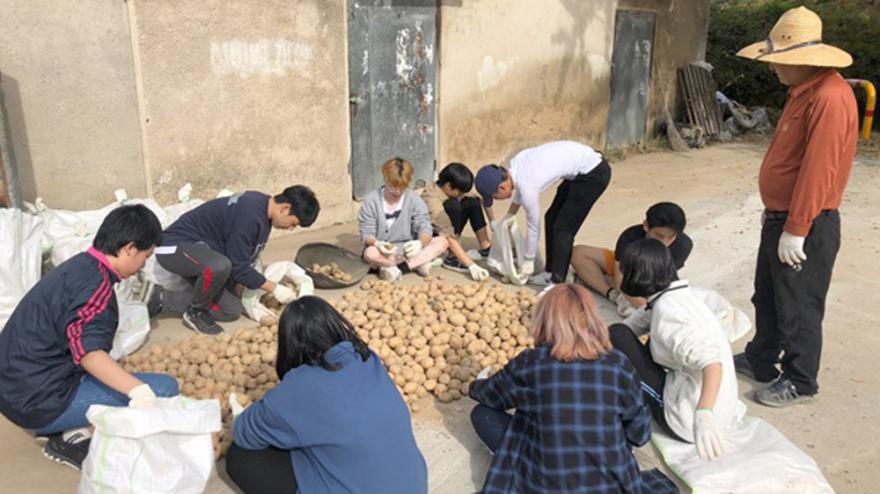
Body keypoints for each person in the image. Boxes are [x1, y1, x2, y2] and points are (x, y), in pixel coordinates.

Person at [734, 6, 858, 407]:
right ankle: (762, 358)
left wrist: (798, 226)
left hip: (806, 221)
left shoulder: (830, 98)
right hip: (781, 216)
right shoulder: (802, 92)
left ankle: (802, 380)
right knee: (767, 294)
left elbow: (819, 169)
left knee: (799, 305)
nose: (772, 68)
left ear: (803, 59)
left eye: (778, 61)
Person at [0, 205, 180, 470]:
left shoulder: (80, 266)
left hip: (14, 385)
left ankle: (67, 424)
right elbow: (89, 355)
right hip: (35, 402)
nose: (145, 263)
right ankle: (74, 436)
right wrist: (139, 393)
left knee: (117, 375)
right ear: (130, 248)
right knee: (163, 390)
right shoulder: (95, 289)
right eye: (146, 255)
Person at [468, 284, 677, 493]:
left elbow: (489, 396)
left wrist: (478, 382)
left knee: (484, 415)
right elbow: (639, 434)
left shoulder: (530, 363)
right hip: (611, 485)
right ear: (592, 320)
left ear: (544, 321)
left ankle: (521, 467)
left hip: (546, 484)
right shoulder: (618, 364)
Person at [225, 296, 428, 494]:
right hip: (415, 486)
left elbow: (244, 433)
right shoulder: (367, 358)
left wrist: (251, 413)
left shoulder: (300, 386)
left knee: (240, 457)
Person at [609, 239, 746, 461]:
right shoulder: (679, 296)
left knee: (616, 339)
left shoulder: (669, 314)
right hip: (724, 408)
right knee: (619, 334)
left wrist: (704, 415)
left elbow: (712, 364)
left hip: (687, 421)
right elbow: (634, 324)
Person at [155, 186, 320, 335]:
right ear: (285, 208)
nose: (290, 228)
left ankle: (163, 299)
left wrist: (249, 286)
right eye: (293, 224)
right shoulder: (249, 213)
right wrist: (273, 288)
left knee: (230, 311)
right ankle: (195, 312)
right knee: (219, 266)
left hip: (204, 255)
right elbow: (237, 267)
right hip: (176, 247)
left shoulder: (264, 212)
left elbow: (243, 258)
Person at [474, 141, 611, 295]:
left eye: (495, 197)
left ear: (502, 187)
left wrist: (528, 259)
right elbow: (518, 187)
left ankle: (557, 283)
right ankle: (549, 274)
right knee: (551, 217)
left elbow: (533, 226)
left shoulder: (527, 186)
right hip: (580, 171)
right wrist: (510, 213)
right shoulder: (516, 164)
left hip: (594, 174)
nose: (497, 200)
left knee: (563, 229)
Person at [571, 202, 692, 311]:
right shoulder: (630, 236)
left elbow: (663, 283)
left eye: (671, 237)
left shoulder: (683, 245)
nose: (664, 242)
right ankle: (610, 293)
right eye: (659, 235)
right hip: (627, 269)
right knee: (578, 253)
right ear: (646, 226)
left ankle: (595, 278)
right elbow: (620, 281)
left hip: (651, 278)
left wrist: (650, 311)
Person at [358, 158, 448, 281]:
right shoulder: (372, 201)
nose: (398, 192)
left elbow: (424, 226)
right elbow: (366, 232)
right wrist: (377, 243)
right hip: (384, 251)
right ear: (385, 179)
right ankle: (415, 264)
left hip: (408, 249)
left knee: (443, 242)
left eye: (402, 187)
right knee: (370, 253)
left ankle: (397, 268)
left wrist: (420, 242)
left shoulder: (414, 200)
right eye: (393, 186)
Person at [420, 162, 492, 281]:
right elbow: (448, 235)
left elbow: (481, 196)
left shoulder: (448, 187)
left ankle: (485, 247)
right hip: (433, 236)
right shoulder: (432, 201)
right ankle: (451, 258)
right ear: (448, 186)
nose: (461, 194)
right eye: (460, 192)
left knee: (472, 201)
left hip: (448, 228)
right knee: (453, 205)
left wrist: (493, 222)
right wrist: (471, 265)